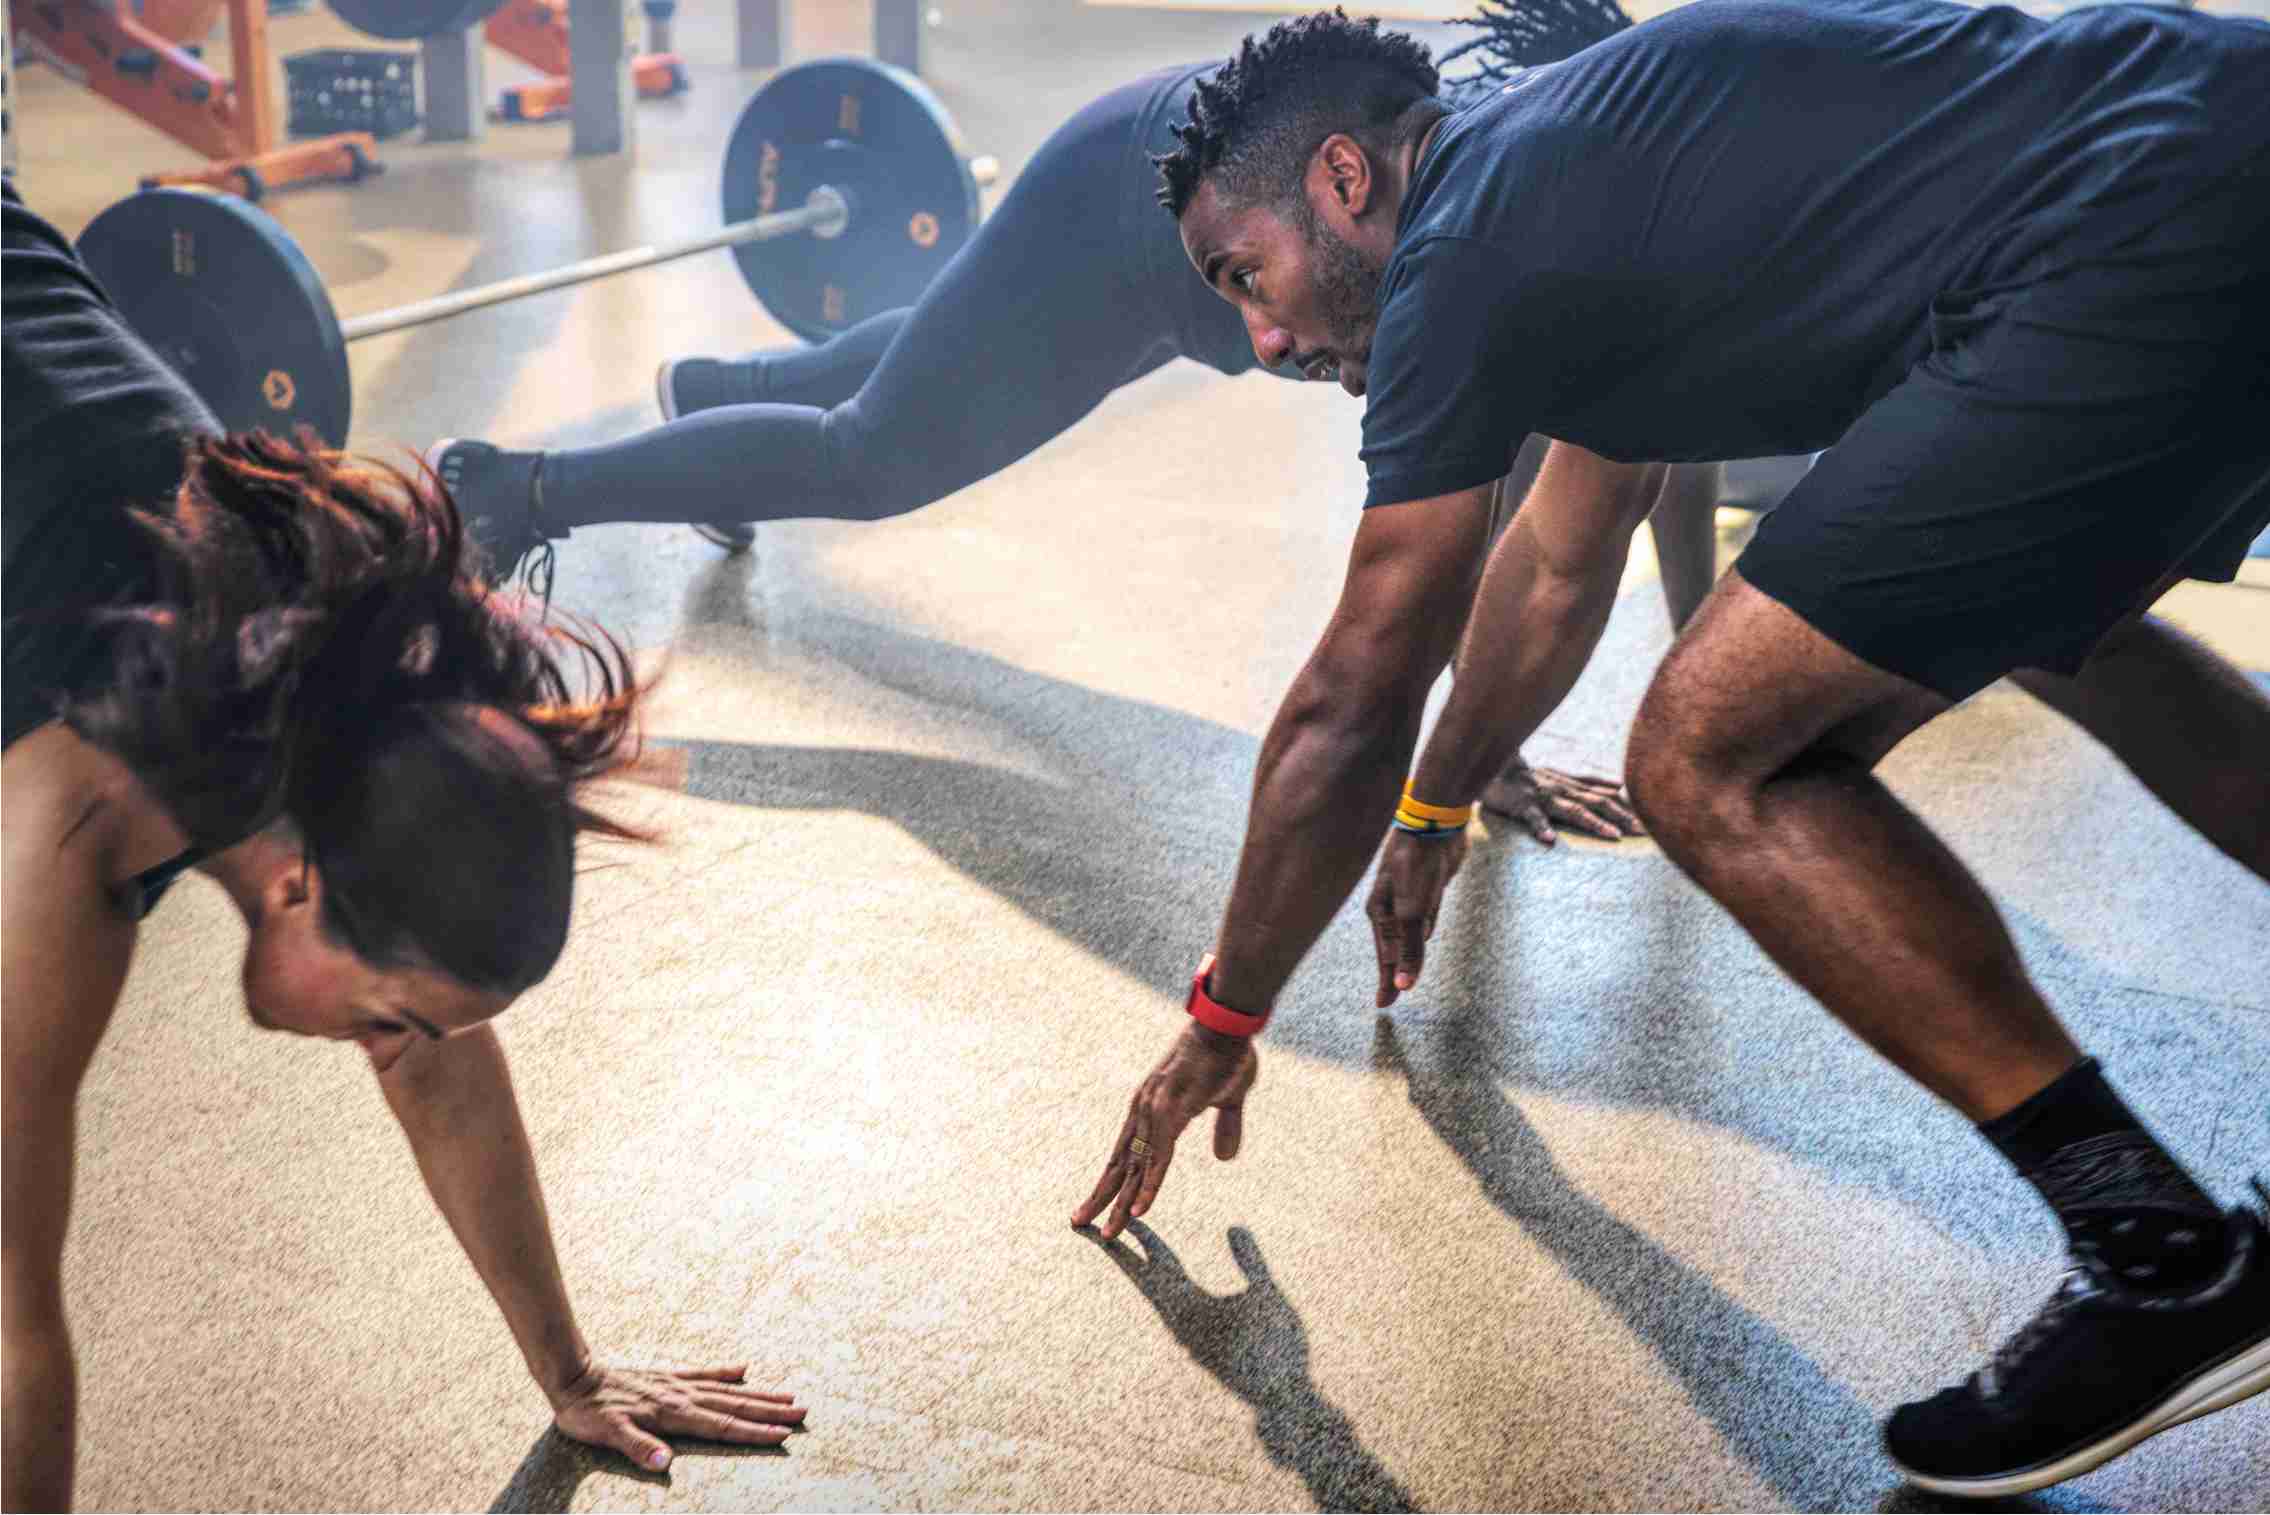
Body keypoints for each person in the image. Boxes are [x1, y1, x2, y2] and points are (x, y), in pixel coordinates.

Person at [1071, 3, 2270, 1498]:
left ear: (1339, 179)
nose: (1259, 340)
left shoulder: (1460, 252)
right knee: (2042, 618)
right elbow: (1559, 564)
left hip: (2127, 218)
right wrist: (1438, 807)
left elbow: (1351, 690)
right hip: (2211, 137)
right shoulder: (1574, 189)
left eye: (1244, 276)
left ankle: (2154, 1251)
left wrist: (1223, 1012)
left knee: (1710, 755)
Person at [0, 180, 807, 1511]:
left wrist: (570, 1369)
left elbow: (439, 1058)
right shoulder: (69, 829)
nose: (398, 1044)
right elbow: (14, 1331)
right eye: (392, 1014)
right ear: (300, 889)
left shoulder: (335, 727)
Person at [427, 0, 1668, 846]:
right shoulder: (1448, 239)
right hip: (1124, 215)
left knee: (935, 370)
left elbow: (1648, 451)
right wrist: (1476, 759)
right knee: (877, 453)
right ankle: (515, 488)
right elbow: (1451, 538)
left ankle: (718, 401)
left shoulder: (1558, 224)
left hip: (1178, 273)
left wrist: (1516, 727)